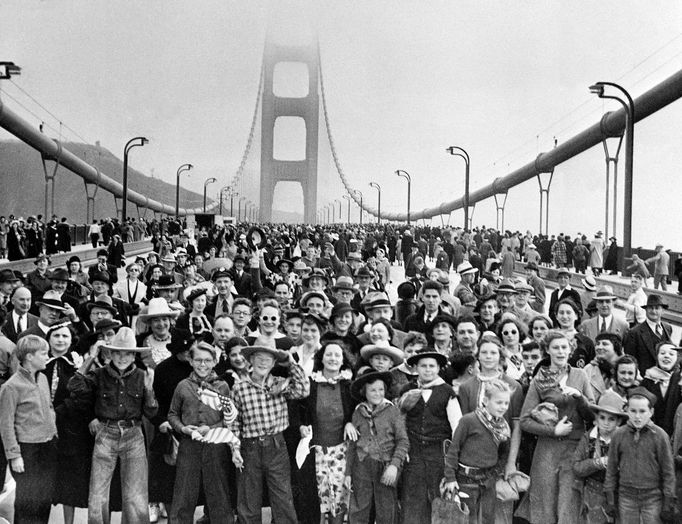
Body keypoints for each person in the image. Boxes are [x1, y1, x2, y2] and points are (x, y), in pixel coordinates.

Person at [75, 327, 158, 523]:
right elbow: (75, 387)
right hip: (105, 433)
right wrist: (90, 359)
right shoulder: (98, 374)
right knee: (98, 494)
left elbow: (151, 412)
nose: (122, 358)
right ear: (110, 353)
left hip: (133, 434)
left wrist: (149, 390)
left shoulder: (142, 375)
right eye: (118, 353)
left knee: (136, 494)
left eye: (128, 353)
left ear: (133, 355)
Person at [518, 330, 595, 524]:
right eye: (555, 348)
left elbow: (593, 416)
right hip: (547, 450)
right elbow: (525, 421)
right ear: (547, 351)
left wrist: (580, 397)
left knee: (568, 505)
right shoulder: (539, 380)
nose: (560, 352)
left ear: (571, 350)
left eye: (564, 347)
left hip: (574, 448)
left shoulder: (580, 376)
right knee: (544, 505)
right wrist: (553, 431)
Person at [230, 344, 310, 523]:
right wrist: (235, 449)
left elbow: (304, 389)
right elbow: (234, 422)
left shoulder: (280, 384)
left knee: (282, 496)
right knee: (248, 498)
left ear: (274, 362)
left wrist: (290, 363)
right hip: (249, 447)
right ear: (250, 360)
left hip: (276, 445)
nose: (263, 362)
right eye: (259, 357)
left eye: (268, 359)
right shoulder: (239, 388)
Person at [168, 340, 238, 524]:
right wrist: (182, 428)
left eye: (207, 360)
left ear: (215, 361)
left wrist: (212, 428)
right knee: (184, 492)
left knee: (218, 491)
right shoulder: (182, 386)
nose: (202, 364)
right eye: (198, 360)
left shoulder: (222, 386)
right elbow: (172, 414)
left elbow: (229, 418)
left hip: (215, 446)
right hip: (189, 446)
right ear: (190, 361)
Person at [398, 349, 461, 523]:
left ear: (439, 368)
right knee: (412, 500)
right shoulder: (407, 389)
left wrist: (452, 458)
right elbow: (399, 421)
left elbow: (457, 426)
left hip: (438, 453)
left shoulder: (447, 391)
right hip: (414, 452)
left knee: (437, 499)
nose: (427, 370)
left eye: (432, 366)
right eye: (423, 366)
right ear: (416, 368)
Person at [0, 335, 58, 524]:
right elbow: (5, 424)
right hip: (27, 451)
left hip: (47, 447)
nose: (47, 356)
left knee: (44, 499)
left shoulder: (42, 379)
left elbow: (49, 408)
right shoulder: (11, 387)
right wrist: (14, 455)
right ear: (30, 357)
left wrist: (54, 434)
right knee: (27, 503)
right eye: (44, 353)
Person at [299, 340, 357, 524]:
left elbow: (359, 410)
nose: (333, 358)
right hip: (316, 452)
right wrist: (301, 425)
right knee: (316, 498)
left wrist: (350, 422)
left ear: (343, 360)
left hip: (341, 451)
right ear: (321, 358)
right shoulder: (311, 384)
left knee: (339, 498)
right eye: (329, 354)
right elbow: (299, 411)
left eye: (337, 355)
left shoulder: (350, 386)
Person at [443, 379, 513, 524]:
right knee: (467, 519)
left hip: (488, 481)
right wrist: (450, 478)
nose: (503, 407)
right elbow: (453, 450)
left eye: (506, 403)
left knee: (487, 519)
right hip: (466, 480)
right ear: (486, 401)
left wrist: (495, 473)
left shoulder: (503, 427)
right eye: (498, 402)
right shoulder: (468, 421)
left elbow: (504, 453)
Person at [603, 387, 676, 524]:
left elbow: (668, 472)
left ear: (651, 412)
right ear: (627, 411)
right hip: (626, 496)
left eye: (642, 411)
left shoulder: (660, 436)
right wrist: (610, 498)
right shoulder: (619, 435)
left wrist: (668, 502)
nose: (637, 416)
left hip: (652, 497)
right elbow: (611, 468)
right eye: (633, 411)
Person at [345, 369, 409, 524]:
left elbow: (403, 441)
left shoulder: (392, 411)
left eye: (381, 389)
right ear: (364, 392)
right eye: (373, 390)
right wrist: (348, 473)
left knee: (386, 509)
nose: (377, 393)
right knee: (359, 507)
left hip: (385, 466)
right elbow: (353, 445)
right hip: (362, 465)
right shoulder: (358, 412)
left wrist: (394, 466)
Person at [572, 390, 628, 524]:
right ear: (596, 419)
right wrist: (597, 463)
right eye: (602, 418)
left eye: (612, 419)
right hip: (594, 494)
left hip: (620, 495)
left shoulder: (624, 440)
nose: (606, 423)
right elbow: (576, 467)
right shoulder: (589, 438)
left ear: (619, 422)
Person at [623, 294, 674, 376]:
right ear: (645, 310)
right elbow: (630, 360)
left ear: (663, 311)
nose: (653, 311)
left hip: (665, 378)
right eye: (650, 308)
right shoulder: (634, 332)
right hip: (645, 379)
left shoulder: (668, 328)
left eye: (657, 308)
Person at [640, 342, 682, 435]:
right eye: (662, 353)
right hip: (650, 433)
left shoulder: (680, 380)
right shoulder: (647, 380)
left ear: (677, 358)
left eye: (671, 354)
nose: (666, 356)